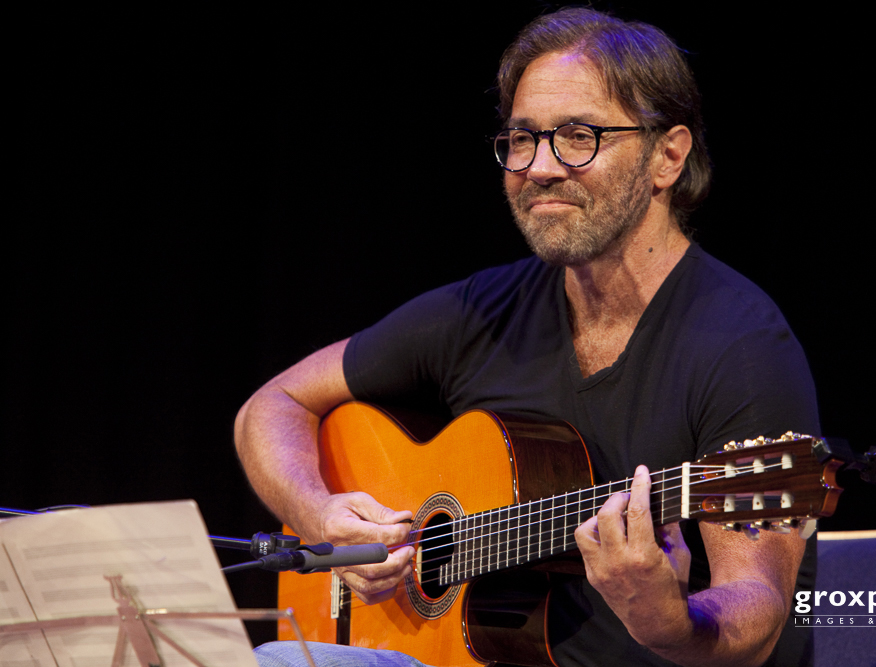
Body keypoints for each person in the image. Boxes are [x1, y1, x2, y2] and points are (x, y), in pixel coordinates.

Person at [237, 8, 819, 667]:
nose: (538, 167)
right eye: (521, 139)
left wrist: (673, 623)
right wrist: (320, 515)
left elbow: (757, 607)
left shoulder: (741, 347)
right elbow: (271, 405)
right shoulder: (477, 313)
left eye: (578, 136)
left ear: (668, 156)